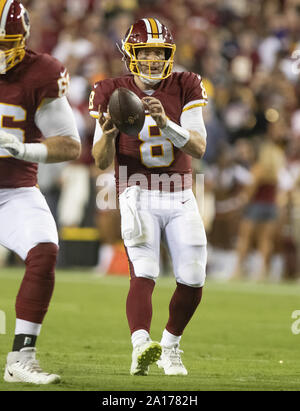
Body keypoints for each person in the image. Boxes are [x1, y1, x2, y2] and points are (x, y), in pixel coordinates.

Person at [90, 18, 208, 376]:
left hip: (180, 192)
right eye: (146, 52)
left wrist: (166, 122)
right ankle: (141, 345)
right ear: (131, 54)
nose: (154, 59)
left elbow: (199, 147)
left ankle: (170, 347)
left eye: (159, 52)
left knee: (193, 278)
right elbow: (101, 161)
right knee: (144, 271)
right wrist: (109, 135)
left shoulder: (186, 83)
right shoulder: (110, 89)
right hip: (135, 189)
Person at [0, 0, 81, 384]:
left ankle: (21, 356)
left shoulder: (40, 72)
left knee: (45, 250)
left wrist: (24, 149)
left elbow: (69, 144)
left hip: (12, 191)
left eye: (5, 43)